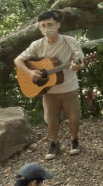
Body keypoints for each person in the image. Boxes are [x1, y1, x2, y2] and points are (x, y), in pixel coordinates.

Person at [14, 10, 86, 160]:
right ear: (40, 28)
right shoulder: (37, 45)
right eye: (43, 26)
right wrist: (30, 73)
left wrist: (77, 66)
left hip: (69, 87)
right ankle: (54, 143)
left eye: (50, 24)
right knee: (51, 119)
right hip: (48, 90)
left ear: (58, 25)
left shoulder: (70, 41)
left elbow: (80, 59)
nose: (46, 28)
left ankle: (75, 141)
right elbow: (18, 60)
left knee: (73, 118)